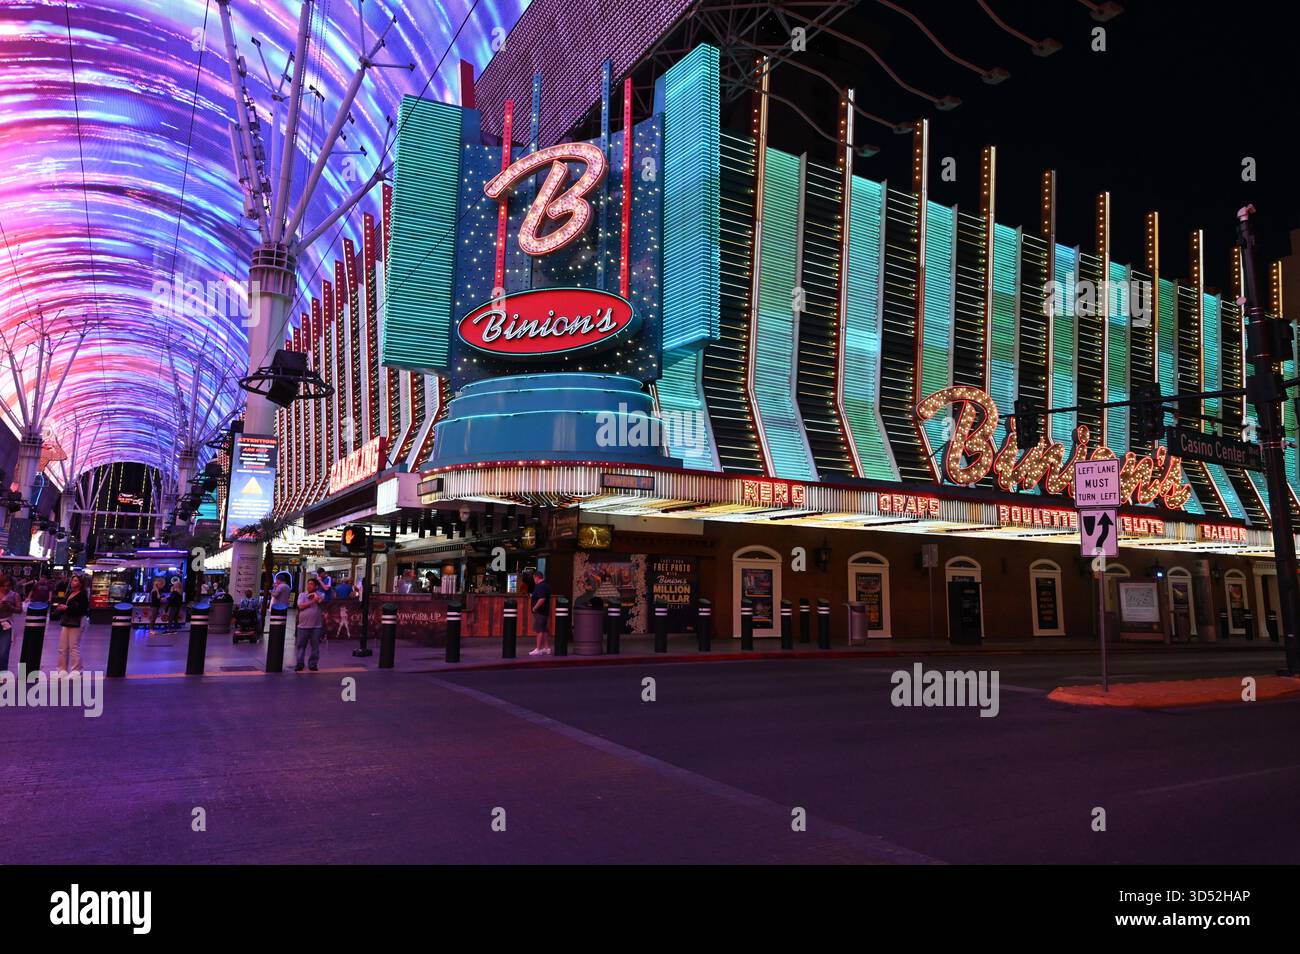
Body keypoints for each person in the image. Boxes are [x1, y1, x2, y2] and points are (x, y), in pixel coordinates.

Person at [53, 574, 89, 673]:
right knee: (62, 646)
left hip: (77, 621)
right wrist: (61, 607)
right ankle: (61, 670)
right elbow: (65, 604)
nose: (73, 582)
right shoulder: (69, 593)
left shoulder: (82, 595)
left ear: (81, 584)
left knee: (74, 646)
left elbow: (82, 609)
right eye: (73, 580)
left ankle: (76, 670)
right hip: (67, 621)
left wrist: (67, 608)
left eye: (76, 580)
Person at [295, 577, 325, 672]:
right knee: (301, 646)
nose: (309, 586)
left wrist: (316, 597)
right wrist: (312, 601)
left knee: (315, 647)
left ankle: (313, 664)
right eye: (308, 584)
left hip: (316, 626)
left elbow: (321, 602)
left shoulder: (321, 594)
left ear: (316, 586)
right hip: (303, 626)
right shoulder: (302, 595)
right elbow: (300, 606)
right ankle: (300, 664)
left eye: (311, 584)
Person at [528, 570, 552, 657]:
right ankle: (546, 648)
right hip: (545, 611)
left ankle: (537, 649)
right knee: (544, 630)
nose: (534, 580)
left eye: (534, 578)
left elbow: (542, 598)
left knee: (539, 630)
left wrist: (535, 607)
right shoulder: (546, 585)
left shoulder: (540, 586)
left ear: (536, 577)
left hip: (540, 612)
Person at [0, 577, 19, 672]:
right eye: (4, 585)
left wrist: (9, 607)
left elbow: (20, 610)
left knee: (3, 651)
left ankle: (2, 673)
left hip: (6, 624)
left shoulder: (14, 595)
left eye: (8, 586)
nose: (6, 588)